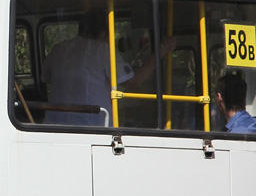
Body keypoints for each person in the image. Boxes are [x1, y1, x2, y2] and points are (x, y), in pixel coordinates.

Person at [41, 9, 173, 126]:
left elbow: (45, 77)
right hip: (92, 125)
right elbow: (134, 82)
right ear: (103, 32)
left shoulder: (58, 49)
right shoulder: (102, 50)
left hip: (55, 125)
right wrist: (162, 51)